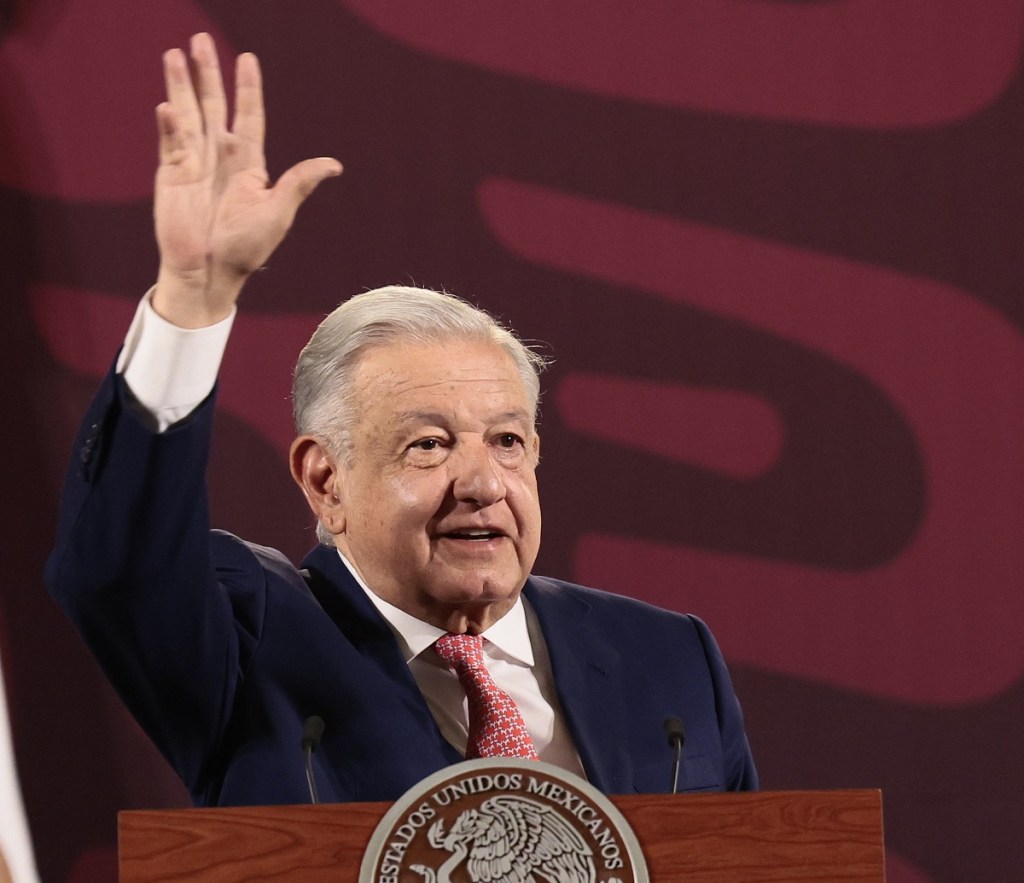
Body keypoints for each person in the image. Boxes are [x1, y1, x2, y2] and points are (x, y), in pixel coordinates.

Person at [45, 34, 757, 806]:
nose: (483, 482)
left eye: (508, 441)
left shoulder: (666, 656)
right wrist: (193, 296)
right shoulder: (250, 639)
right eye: (430, 444)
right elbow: (117, 570)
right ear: (326, 480)